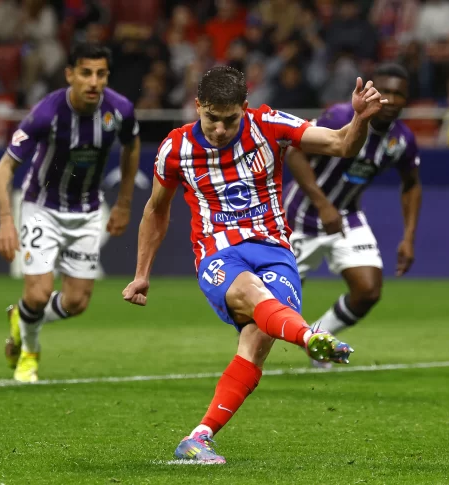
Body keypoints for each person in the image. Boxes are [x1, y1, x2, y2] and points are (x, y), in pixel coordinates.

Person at [121, 66, 386, 463]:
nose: (220, 130)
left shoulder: (268, 124)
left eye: (230, 120)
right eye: (211, 118)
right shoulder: (175, 148)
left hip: (275, 251)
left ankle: (198, 437)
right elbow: (156, 210)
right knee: (251, 292)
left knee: (257, 342)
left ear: (244, 107)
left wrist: (360, 119)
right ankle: (309, 337)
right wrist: (142, 274)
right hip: (218, 253)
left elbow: (341, 143)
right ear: (197, 106)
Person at [0, 43, 140, 383]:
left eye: (101, 74)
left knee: (76, 302)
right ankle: (29, 354)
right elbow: (5, 167)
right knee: (38, 293)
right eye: (86, 73)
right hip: (42, 207)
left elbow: (131, 148)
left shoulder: (120, 110)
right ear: (70, 75)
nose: (93, 81)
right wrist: (5, 220)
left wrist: (123, 203)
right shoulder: (47, 113)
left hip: (87, 211)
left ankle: (21, 318)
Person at [283, 63, 421, 368]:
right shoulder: (340, 116)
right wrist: (322, 204)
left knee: (368, 291)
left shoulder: (402, 139)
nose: (391, 99)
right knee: (277, 300)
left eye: (399, 94)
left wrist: (408, 237)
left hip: (346, 215)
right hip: (298, 216)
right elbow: (295, 154)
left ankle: (319, 339)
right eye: (385, 91)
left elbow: (411, 184)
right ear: (372, 90)